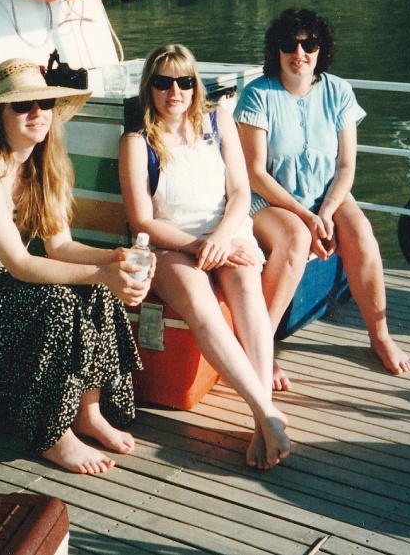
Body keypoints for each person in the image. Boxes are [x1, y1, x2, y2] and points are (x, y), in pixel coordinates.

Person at [0, 58, 152, 475]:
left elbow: (59, 246)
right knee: (58, 304)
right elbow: (21, 263)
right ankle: (52, 435)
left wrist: (112, 260)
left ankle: (88, 413)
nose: (37, 114)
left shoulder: (42, 164)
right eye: (22, 106)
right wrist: (104, 274)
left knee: (94, 290)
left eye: (44, 103)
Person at [118, 44, 291, 470]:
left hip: (226, 232)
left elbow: (240, 194)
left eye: (183, 81)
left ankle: (260, 416)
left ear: (195, 86)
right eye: (162, 82)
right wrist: (199, 247)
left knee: (247, 288)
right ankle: (267, 415)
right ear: (149, 89)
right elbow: (141, 219)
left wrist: (224, 237)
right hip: (171, 244)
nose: (173, 91)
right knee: (200, 305)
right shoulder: (137, 142)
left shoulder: (218, 122)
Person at [234, 8, 410, 389]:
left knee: (361, 232)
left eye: (309, 44)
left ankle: (379, 337)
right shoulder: (258, 95)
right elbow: (255, 174)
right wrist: (306, 216)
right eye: (289, 44)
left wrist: (327, 213)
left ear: (321, 49)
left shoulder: (338, 92)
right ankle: (259, 350)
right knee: (296, 237)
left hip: (325, 194)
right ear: (277, 50)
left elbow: (346, 166)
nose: (299, 53)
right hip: (269, 200)